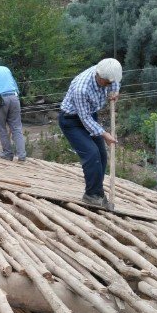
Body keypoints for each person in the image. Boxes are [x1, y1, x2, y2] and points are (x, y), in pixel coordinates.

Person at [59, 58, 122, 208]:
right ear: (99, 76)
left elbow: (114, 82)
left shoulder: (109, 69)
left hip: (90, 116)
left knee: (101, 154)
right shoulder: (82, 88)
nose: (108, 85)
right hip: (72, 121)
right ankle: (90, 195)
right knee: (91, 154)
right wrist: (104, 134)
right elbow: (84, 118)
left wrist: (115, 92)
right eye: (106, 83)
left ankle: (97, 191)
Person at [0, 58, 26, 162]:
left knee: (1, 128)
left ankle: (7, 153)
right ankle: (22, 155)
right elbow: (15, 85)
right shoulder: (6, 69)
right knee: (16, 128)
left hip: (0, 101)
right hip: (14, 98)